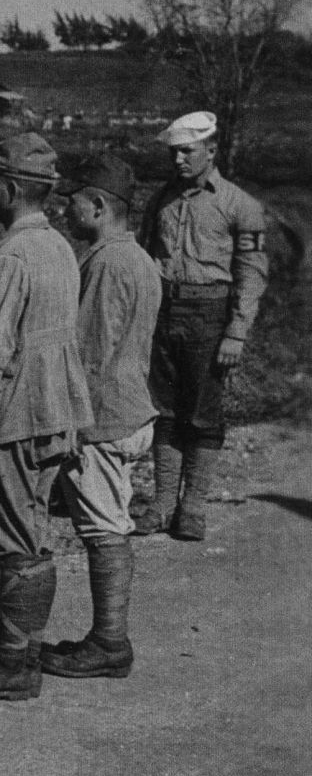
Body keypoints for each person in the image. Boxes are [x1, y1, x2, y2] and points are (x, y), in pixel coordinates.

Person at [0, 132, 92, 701]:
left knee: (14, 538)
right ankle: (24, 657)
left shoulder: (14, 255)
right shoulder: (59, 247)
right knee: (33, 531)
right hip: (55, 408)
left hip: (15, 412)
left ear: (7, 189)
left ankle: (12, 666)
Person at [43, 154, 163, 679]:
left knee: (104, 529)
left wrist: (70, 423)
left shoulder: (109, 263)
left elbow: (91, 353)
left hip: (102, 419)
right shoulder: (136, 258)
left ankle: (111, 643)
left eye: (71, 201)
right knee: (107, 523)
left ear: (96, 205)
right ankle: (106, 638)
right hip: (129, 408)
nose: (64, 210)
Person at [136, 111, 268, 540]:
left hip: (210, 315)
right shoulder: (161, 200)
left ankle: (192, 506)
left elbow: (252, 272)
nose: (178, 160)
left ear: (211, 150)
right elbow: (144, 254)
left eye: (186, 151)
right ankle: (162, 505)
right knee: (163, 409)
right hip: (162, 312)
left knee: (203, 412)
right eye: (173, 152)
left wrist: (236, 332)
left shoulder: (240, 205)